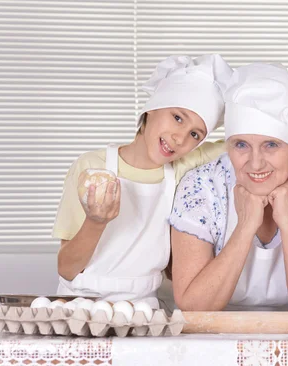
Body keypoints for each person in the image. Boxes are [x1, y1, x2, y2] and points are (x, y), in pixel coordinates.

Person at [169, 63, 288, 315]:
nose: (255, 163)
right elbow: (193, 306)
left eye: (271, 145)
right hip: (211, 336)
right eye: (241, 144)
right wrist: (245, 226)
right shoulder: (200, 188)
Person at [53, 54, 232, 309]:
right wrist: (96, 222)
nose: (180, 138)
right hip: (80, 307)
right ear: (153, 107)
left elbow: (256, 140)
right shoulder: (91, 167)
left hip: (143, 312)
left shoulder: (183, 168)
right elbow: (67, 268)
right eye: (177, 117)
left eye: (195, 134)